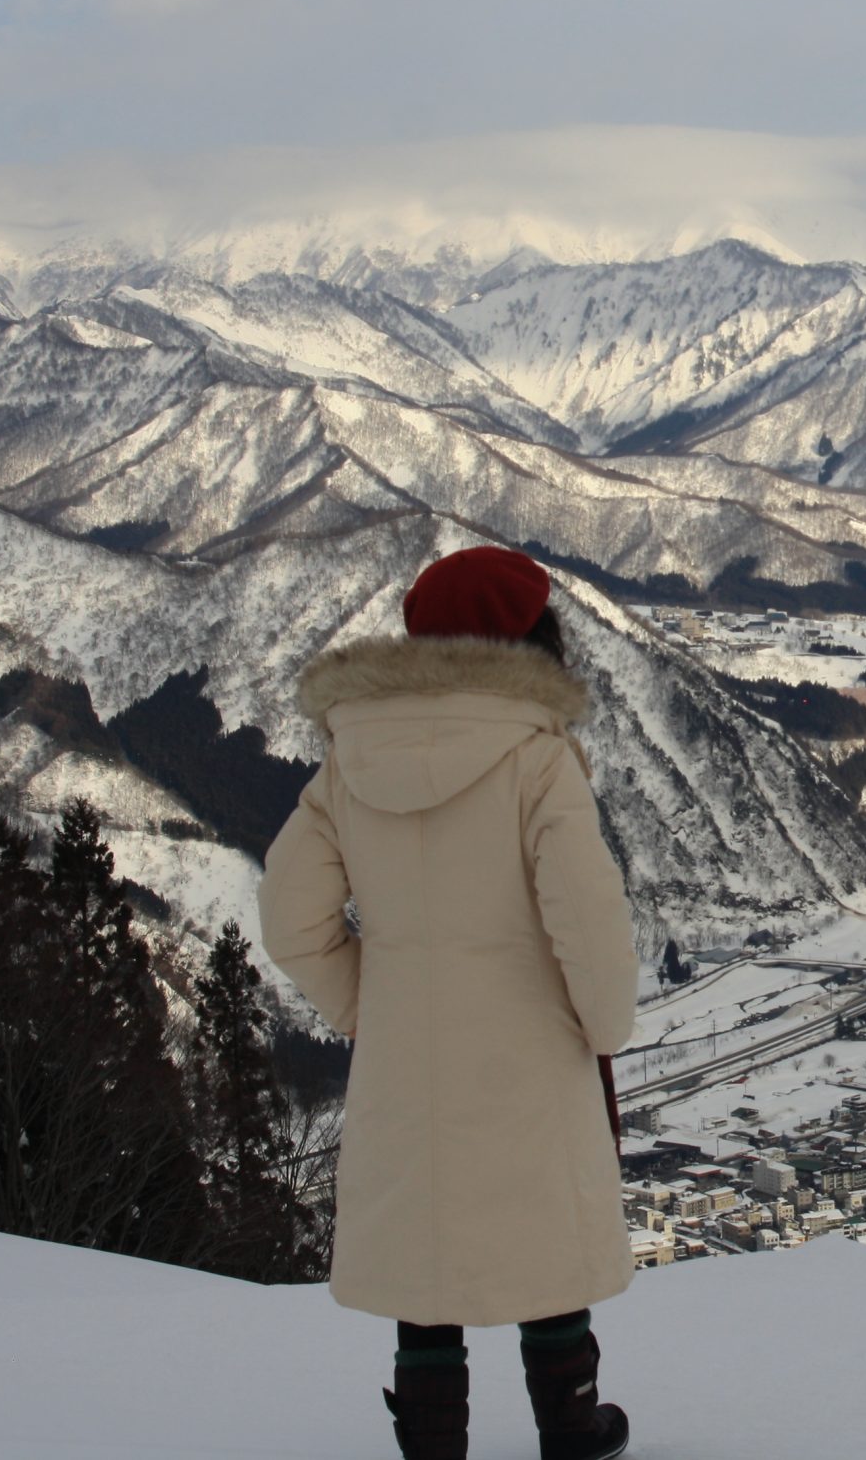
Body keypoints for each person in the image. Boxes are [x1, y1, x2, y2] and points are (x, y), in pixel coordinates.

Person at [258, 546, 639, 1460]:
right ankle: (572, 1428)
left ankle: (431, 1445)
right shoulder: (539, 758)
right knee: (542, 1239)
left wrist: (370, 1005)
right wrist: (603, 1022)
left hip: (405, 1058)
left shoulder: (351, 759)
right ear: (529, 640)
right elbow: (587, 919)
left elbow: (288, 916)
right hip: (529, 1047)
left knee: (423, 1265)